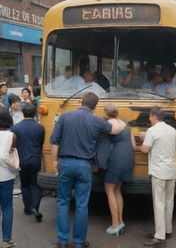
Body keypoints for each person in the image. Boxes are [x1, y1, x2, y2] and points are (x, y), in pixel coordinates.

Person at [50, 92, 125, 248]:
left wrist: (54, 161)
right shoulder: (97, 120)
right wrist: (123, 123)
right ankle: (79, 242)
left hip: (66, 163)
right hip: (85, 166)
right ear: (95, 107)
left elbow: (54, 140)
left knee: (63, 202)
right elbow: (115, 129)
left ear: (80, 102)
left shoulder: (65, 116)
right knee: (82, 205)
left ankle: (62, 240)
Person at [138, 106, 176, 247]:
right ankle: (167, 230)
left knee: (159, 204)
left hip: (159, 171)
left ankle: (159, 236)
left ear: (154, 116)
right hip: (172, 170)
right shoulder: (172, 129)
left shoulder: (152, 131)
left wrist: (138, 143)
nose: (149, 119)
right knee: (169, 201)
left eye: (150, 117)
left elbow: (145, 149)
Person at [103, 104, 136, 236]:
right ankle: (120, 222)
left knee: (109, 190)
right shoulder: (125, 124)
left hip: (115, 159)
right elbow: (133, 146)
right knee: (117, 190)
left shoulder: (108, 124)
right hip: (127, 158)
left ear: (106, 112)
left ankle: (115, 225)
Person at [11, 104, 45, 222]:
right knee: (36, 184)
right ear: (34, 113)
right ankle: (35, 206)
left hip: (22, 160)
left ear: (23, 113)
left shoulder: (16, 128)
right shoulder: (40, 128)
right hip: (35, 159)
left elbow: (13, 145)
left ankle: (28, 207)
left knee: (25, 185)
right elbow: (41, 144)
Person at [0, 107, 17, 248]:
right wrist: (13, 166)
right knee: (7, 207)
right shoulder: (11, 136)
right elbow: (7, 155)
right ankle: (6, 239)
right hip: (6, 177)